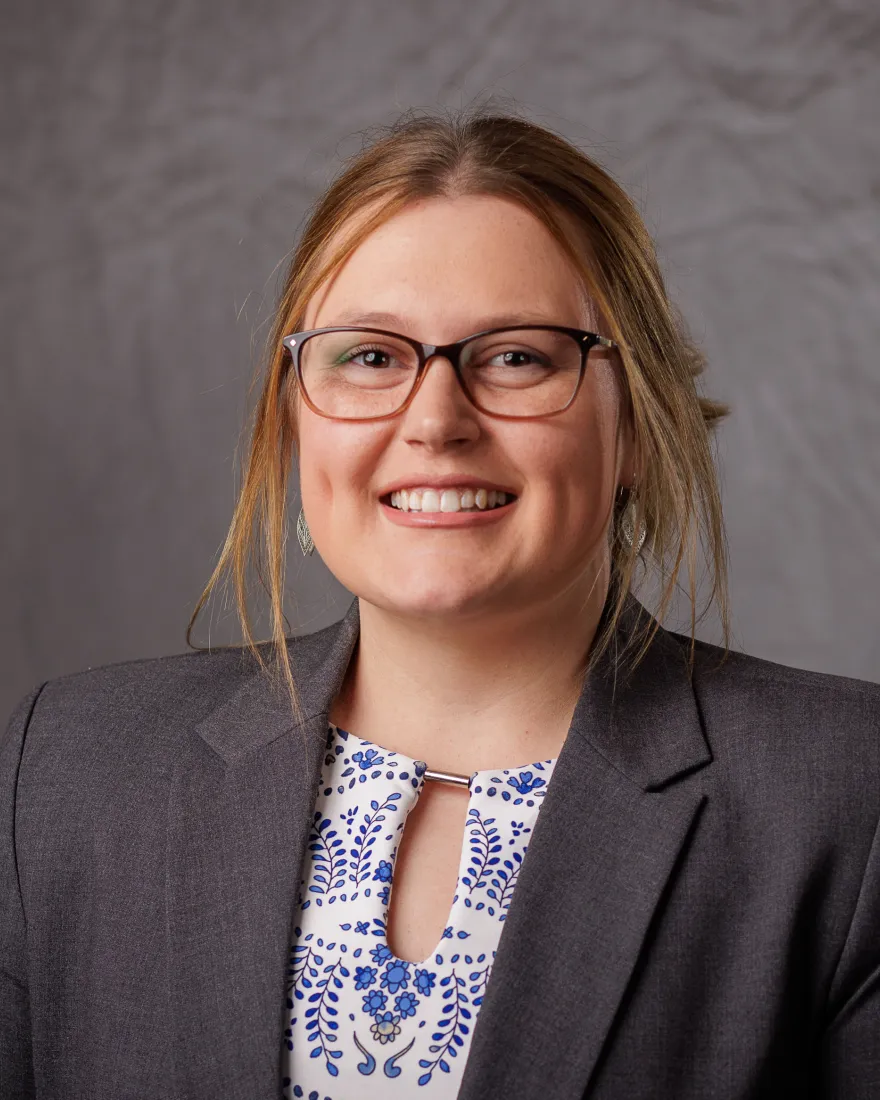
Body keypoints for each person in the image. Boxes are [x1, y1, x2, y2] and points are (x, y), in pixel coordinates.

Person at [1, 108, 877, 1100]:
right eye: (370, 356)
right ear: (293, 423)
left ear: (639, 422)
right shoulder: (64, 774)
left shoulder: (848, 799)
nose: (434, 421)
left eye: (516, 356)